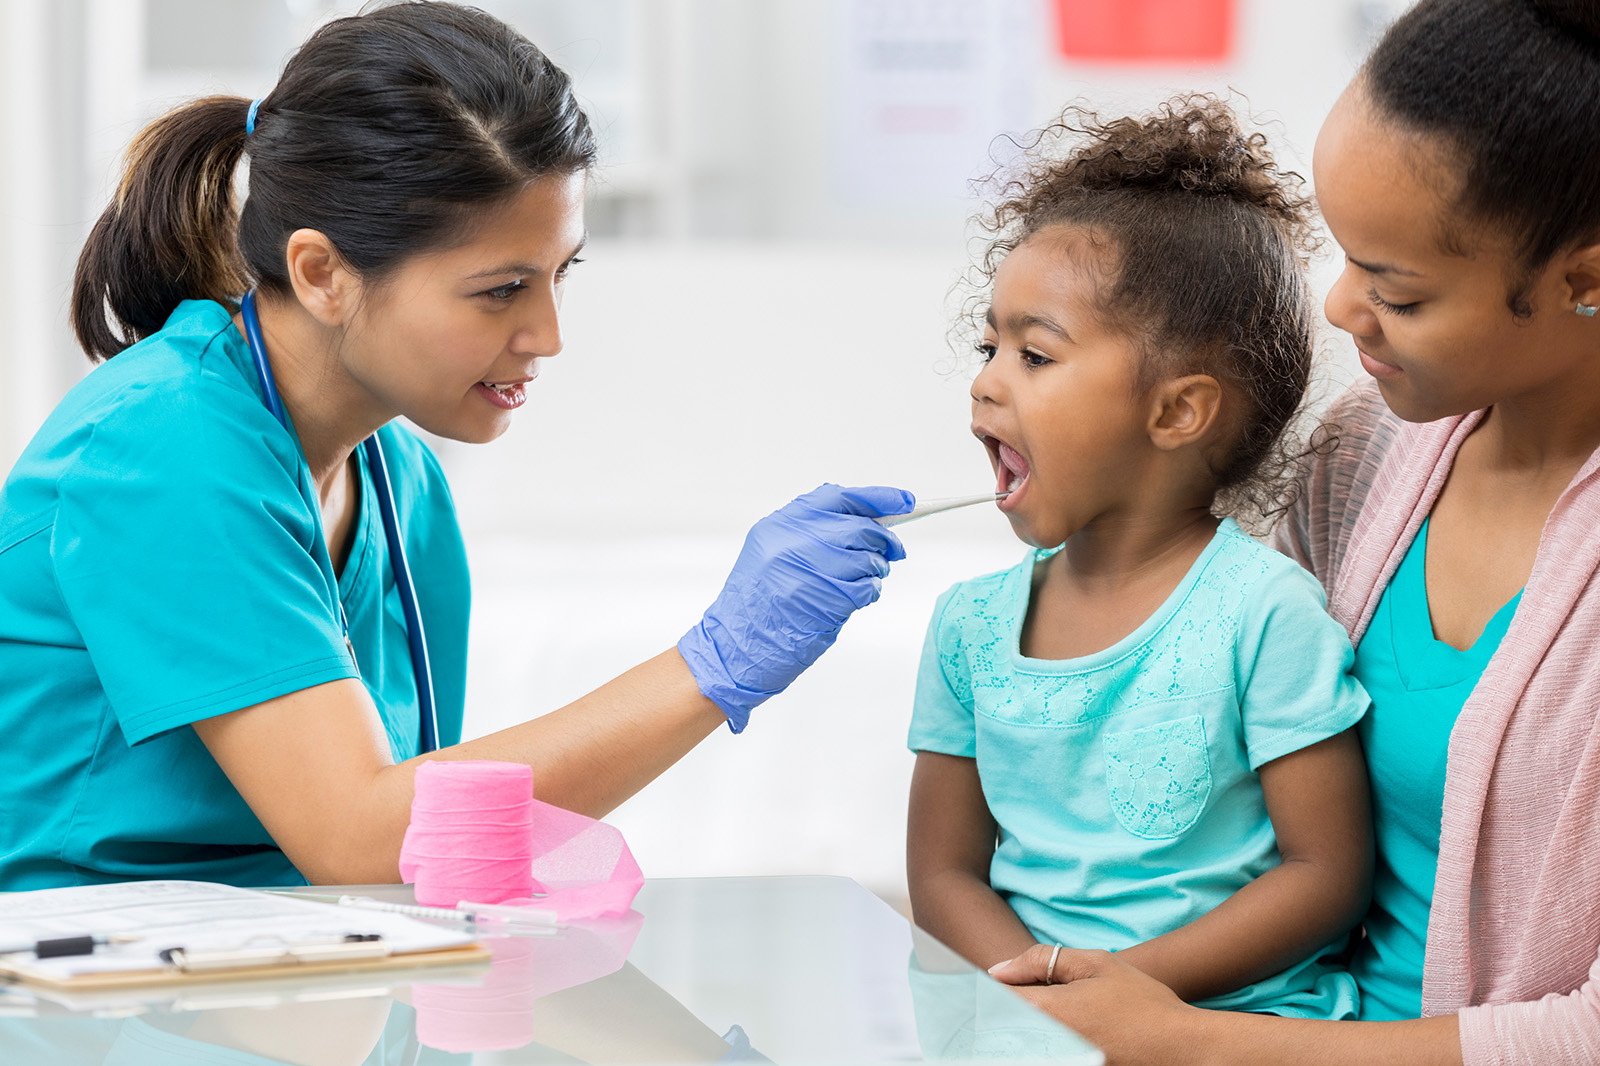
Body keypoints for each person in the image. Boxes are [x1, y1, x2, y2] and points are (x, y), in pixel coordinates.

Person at [0, 2, 912, 890]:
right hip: (88, 995)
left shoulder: (403, 485)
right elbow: (360, 837)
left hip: (295, 983)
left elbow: (423, 836)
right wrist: (712, 667)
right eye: (501, 289)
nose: (549, 334)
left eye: (562, 274)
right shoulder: (159, 449)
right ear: (322, 273)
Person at [986, 1, 1600, 1063]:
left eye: (1397, 291)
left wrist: (1194, 1042)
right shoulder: (1364, 456)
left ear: (1583, 279)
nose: (1338, 308)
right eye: (1346, 254)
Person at [905, 97, 1372, 1018]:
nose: (986, 379)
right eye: (988, 343)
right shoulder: (970, 627)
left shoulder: (1265, 613)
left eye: (1034, 355)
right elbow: (942, 873)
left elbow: (1326, 876)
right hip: (1026, 1021)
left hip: (1230, 1024)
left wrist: (1127, 997)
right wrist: (1037, 999)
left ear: (1175, 413)